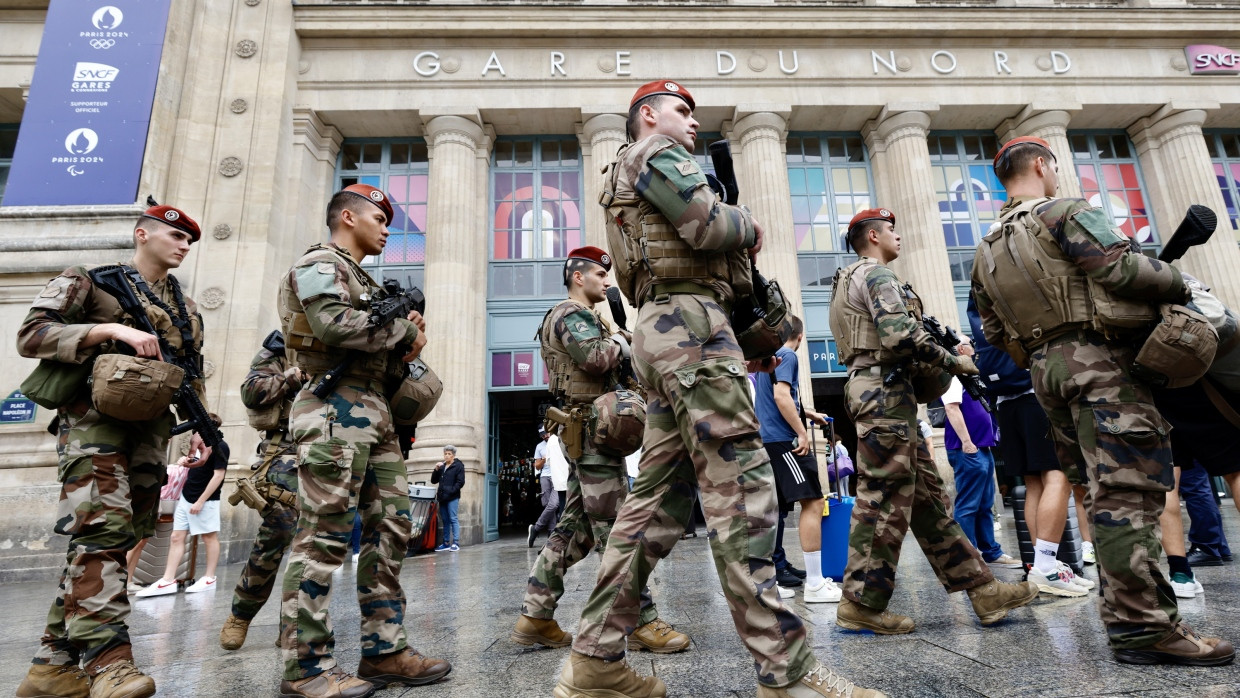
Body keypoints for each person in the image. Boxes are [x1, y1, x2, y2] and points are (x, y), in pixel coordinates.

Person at [556, 80, 883, 698]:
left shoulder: (627, 167)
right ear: (647, 115)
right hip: (692, 329)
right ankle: (786, 673)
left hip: (665, 332)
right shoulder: (655, 151)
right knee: (744, 492)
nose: (692, 123)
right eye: (682, 111)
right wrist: (750, 223)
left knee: (656, 499)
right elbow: (707, 227)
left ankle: (596, 659)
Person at [971, 135, 1233, 665]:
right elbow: (1121, 269)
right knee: (1129, 494)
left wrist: (1044, 354)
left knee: (1097, 493)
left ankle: (1129, 620)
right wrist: (1181, 283)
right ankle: (1145, 630)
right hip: (1101, 366)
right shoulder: (1064, 212)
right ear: (1042, 165)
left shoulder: (987, 247)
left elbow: (993, 331)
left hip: (1048, 374)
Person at [15, 204, 207, 698]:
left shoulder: (186, 311)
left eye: (190, 240)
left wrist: (201, 430)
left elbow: (189, 375)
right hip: (92, 428)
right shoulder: (90, 281)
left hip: (149, 435)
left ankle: (51, 666)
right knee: (102, 531)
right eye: (175, 235)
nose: (184, 245)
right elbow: (31, 334)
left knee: (112, 543)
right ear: (142, 234)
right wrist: (110, 330)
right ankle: (110, 663)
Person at [828, 206, 1039, 638]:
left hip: (880, 392)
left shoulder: (847, 279)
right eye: (891, 230)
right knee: (883, 499)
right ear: (872, 236)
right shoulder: (876, 276)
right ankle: (861, 604)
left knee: (929, 502)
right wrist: (956, 362)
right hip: (884, 393)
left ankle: (983, 590)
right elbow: (900, 336)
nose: (897, 237)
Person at [277, 183, 450, 697]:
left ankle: (384, 650)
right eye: (379, 217)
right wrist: (404, 334)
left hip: (374, 411)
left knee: (393, 527)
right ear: (347, 217)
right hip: (332, 408)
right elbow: (333, 326)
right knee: (325, 536)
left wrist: (404, 337)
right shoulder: (320, 264)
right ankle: (305, 668)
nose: (387, 227)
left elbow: (376, 339)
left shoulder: (361, 279)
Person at [514, 245, 689, 656]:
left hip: (593, 432)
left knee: (573, 529)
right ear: (578, 276)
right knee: (618, 530)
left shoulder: (588, 317)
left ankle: (536, 615)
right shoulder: (571, 314)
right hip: (592, 433)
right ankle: (641, 620)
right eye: (599, 275)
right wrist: (621, 338)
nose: (607, 282)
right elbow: (596, 358)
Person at [965, 295, 1091, 594]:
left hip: (1006, 401)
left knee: (1034, 483)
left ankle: (1040, 564)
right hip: (1037, 393)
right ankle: (1047, 566)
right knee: (1058, 475)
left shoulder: (982, 292)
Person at [219, 331, 303, 650]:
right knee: (277, 531)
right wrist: (292, 377)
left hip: (334, 453)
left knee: (316, 542)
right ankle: (241, 614)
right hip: (287, 452)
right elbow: (251, 392)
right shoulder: (281, 348)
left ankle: (295, 626)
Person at [752, 314, 842, 603]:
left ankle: (768, 583)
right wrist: (802, 433)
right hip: (783, 441)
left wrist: (807, 413)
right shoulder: (787, 355)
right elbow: (781, 397)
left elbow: (778, 398)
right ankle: (815, 584)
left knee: (773, 510)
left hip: (770, 439)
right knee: (813, 502)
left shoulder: (771, 356)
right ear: (800, 336)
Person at [940, 340, 1023, 571]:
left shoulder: (968, 377)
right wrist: (967, 443)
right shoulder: (954, 377)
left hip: (980, 447)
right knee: (968, 505)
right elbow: (951, 408)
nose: (975, 347)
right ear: (961, 351)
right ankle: (969, 556)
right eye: (970, 344)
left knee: (985, 503)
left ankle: (991, 552)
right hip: (967, 448)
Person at [134, 422, 229, 597]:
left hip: (206, 500)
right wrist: (185, 462)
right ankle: (168, 579)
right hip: (187, 496)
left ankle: (209, 577)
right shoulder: (199, 446)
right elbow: (199, 467)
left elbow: (218, 475)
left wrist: (201, 501)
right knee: (176, 536)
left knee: (209, 536)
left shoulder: (220, 446)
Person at [529, 425, 559, 546]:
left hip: (557, 476)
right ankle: (551, 532)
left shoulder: (557, 441)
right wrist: (543, 459)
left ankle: (536, 528)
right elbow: (537, 466)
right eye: (542, 434)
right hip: (545, 477)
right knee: (547, 505)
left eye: (546, 433)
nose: (544, 436)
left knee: (554, 504)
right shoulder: (539, 446)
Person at [432, 445, 465, 551]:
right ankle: (446, 543)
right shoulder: (441, 466)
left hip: (452, 497)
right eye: (445, 453)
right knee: (445, 520)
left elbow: (460, 482)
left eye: (449, 454)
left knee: (453, 518)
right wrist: (436, 469)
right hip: (442, 497)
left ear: (453, 455)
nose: (446, 456)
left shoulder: (458, 465)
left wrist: (451, 491)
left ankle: (456, 543)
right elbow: (434, 480)